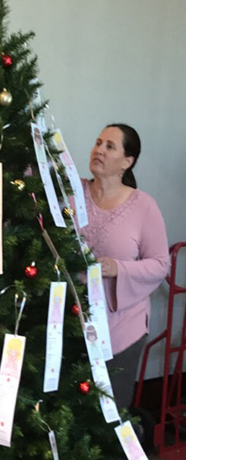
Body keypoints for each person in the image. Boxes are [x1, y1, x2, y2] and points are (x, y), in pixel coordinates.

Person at [76, 123, 170, 414]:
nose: (99, 150)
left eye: (110, 146)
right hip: (69, 323)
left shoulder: (144, 206)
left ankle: (127, 448)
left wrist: (118, 269)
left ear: (127, 162)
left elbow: (160, 265)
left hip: (121, 327)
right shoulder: (73, 191)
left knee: (109, 412)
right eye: (98, 142)